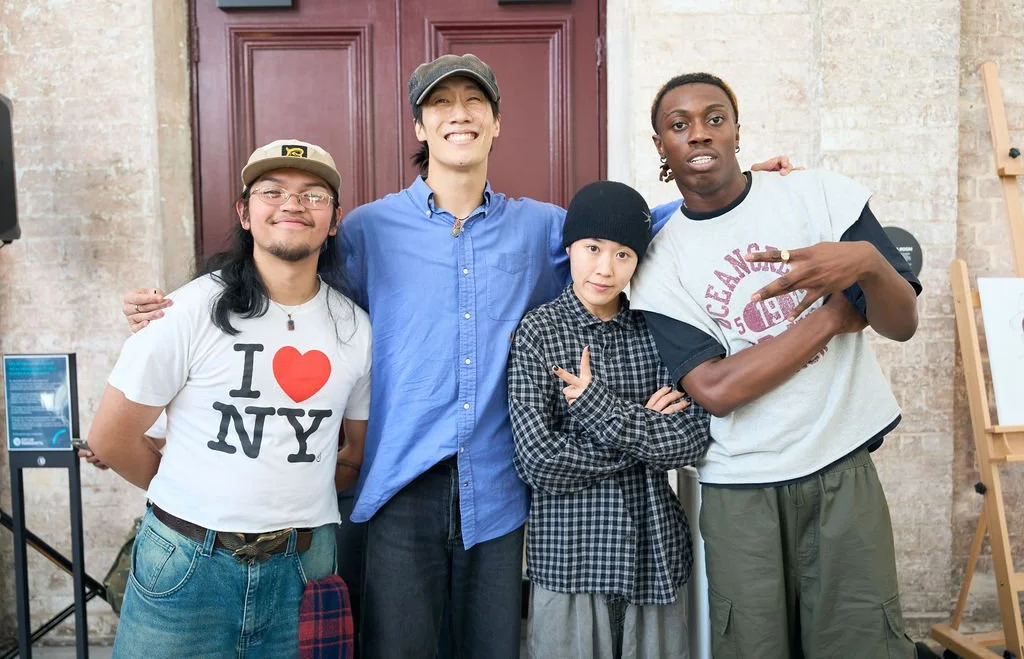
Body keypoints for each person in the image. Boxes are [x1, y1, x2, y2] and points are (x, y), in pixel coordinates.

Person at [120, 55, 794, 658]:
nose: (459, 114)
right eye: (441, 103)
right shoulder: (368, 229)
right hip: (398, 485)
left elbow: (619, 236)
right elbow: (283, 279)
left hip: (496, 486)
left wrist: (725, 197)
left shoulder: (540, 227)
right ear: (420, 125)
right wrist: (176, 307)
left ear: (496, 123)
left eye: (475, 102)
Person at [631, 72, 922, 659]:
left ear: (738, 130)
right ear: (661, 146)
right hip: (741, 492)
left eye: (715, 118)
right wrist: (833, 316)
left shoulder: (816, 195)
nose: (699, 133)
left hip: (841, 467)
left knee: (863, 643)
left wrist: (868, 261)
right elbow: (716, 389)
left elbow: (901, 323)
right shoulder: (660, 262)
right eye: (679, 125)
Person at [90, 139, 371, 657]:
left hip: (303, 567)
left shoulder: (355, 329)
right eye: (272, 191)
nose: (293, 204)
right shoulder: (186, 311)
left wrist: (280, 496)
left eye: (314, 194)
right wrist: (195, 498)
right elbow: (110, 438)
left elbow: (353, 453)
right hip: (185, 564)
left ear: (334, 220)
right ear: (244, 213)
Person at [508, 180, 711, 659]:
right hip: (570, 557)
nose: (605, 268)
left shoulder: (655, 327)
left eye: (623, 254)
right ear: (570, 248)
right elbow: (538, 461)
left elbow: (692, 437)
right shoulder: (539, 331)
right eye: (593, 248)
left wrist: (597, 407)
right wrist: (643, 429)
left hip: (653, 554)